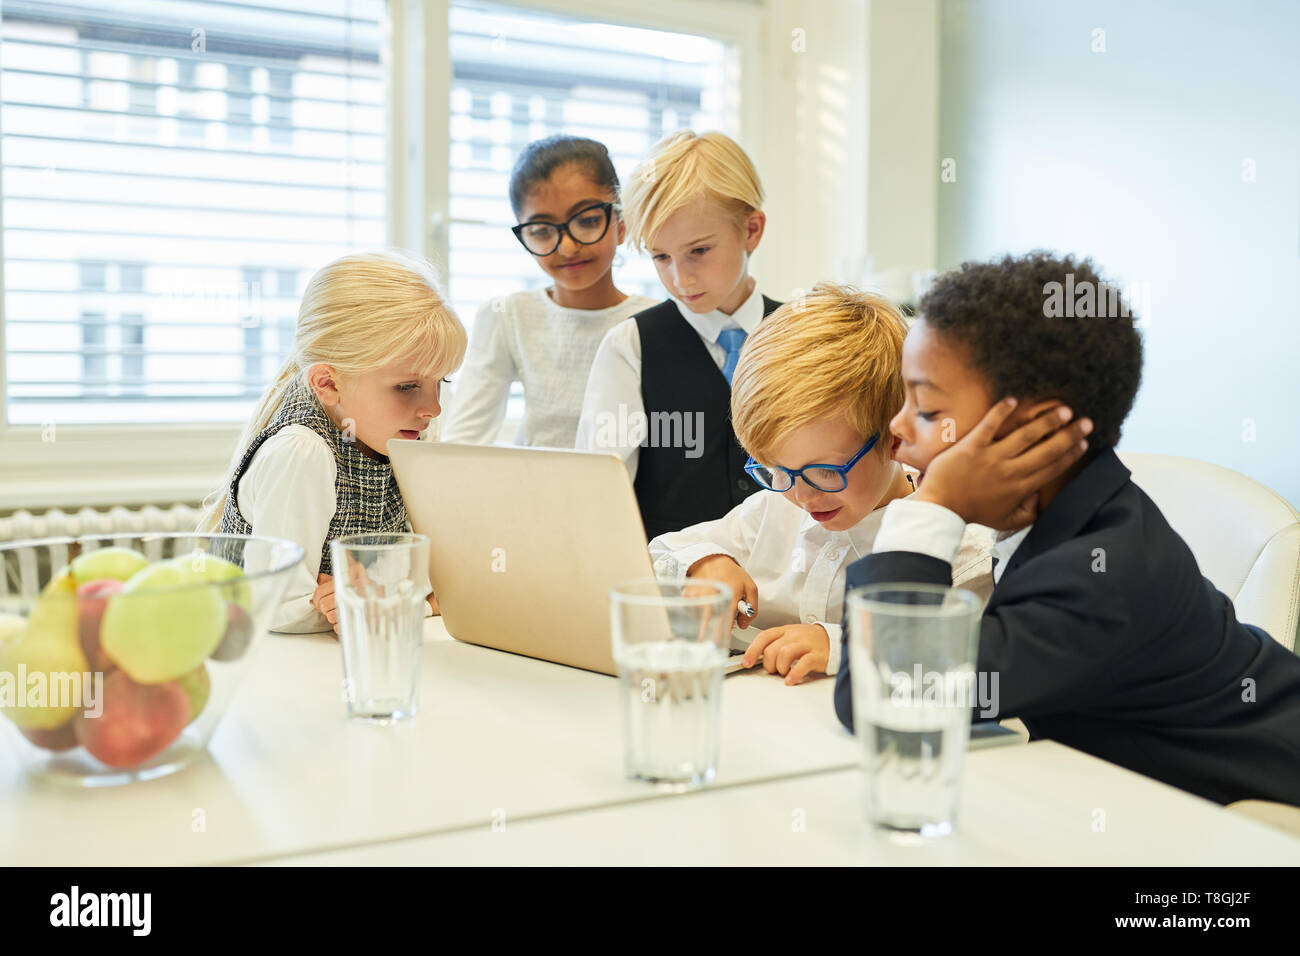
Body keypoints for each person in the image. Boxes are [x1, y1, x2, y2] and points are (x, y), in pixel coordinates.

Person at [835, 251, 1300, 806]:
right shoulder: (1068, 525)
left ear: (1031, 431)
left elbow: (885, 694)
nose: (897, 427)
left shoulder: (1101, 576)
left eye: (930, 411)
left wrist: (932, 505)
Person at [648, 284, 993, 684]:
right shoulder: (772, 511)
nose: (802, 495)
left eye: (826, 471)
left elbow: (956, 658)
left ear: (896, 436)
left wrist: (842, 645)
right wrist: (705, 563)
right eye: (775, 469)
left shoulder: (961, 551)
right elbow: (665, 551)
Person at [199, 250, 467, 633]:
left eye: (442, 382)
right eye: (407, 387)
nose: (434, 408)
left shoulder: (407, 429)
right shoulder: (301, 452)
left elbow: (427, 573)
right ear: (327, 384)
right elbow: (277, 606)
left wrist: (381, 596)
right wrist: (398, 598)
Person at [575, 130, 783, 540]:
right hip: (671, 586)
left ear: (752, 230)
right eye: (661, 256)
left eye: (699, 251)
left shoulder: (806, 337)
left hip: (788, 588)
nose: (679, 277)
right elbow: (598, 497)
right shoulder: (630, 348)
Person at [441, 135, 655, 447]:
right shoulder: (508, 316)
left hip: (623, 494)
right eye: (542, 230)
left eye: (587, 220)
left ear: (621, 224)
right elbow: (463, 441)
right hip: (528, 491)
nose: (568, 247)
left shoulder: (654, 322)